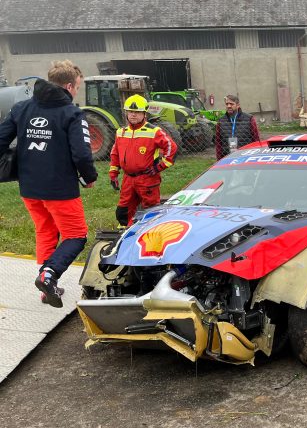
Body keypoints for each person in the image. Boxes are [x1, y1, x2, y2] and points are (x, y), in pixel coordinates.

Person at [0, 60, 97, 308]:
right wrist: (89, 178)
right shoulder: (72, 113)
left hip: (29, 187)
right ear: (69, 86)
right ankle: (48, 275)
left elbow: (1, 140)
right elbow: (82, 155)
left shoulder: (21, 108)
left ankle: (46, 289)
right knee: (76, 235)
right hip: (60, 189)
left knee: (46, 231)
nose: (76, 91)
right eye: (77, 87)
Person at [108, 94, 177, 226]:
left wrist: (160, 167)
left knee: (151, 211)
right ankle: (126, 232)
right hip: (128, 179)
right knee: (123, 212)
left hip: (147, 179)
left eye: (137, 112)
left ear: (144, 113)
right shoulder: (121, 132)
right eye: (130, 112)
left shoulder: (154, 131)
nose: (133, 115)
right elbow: (115, 154)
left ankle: (151, 231)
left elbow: (171, 147)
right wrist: (113, 174)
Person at [215, 93, 260, 159]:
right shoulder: (221, 121)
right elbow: (218, 143)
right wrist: (219, 160)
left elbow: (256, 139)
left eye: (231, 104)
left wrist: (256, 157)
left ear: (238, 105)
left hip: (245, 157)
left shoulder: (249, 119)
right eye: (227, 104)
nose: (228, 106)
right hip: (227, 158)